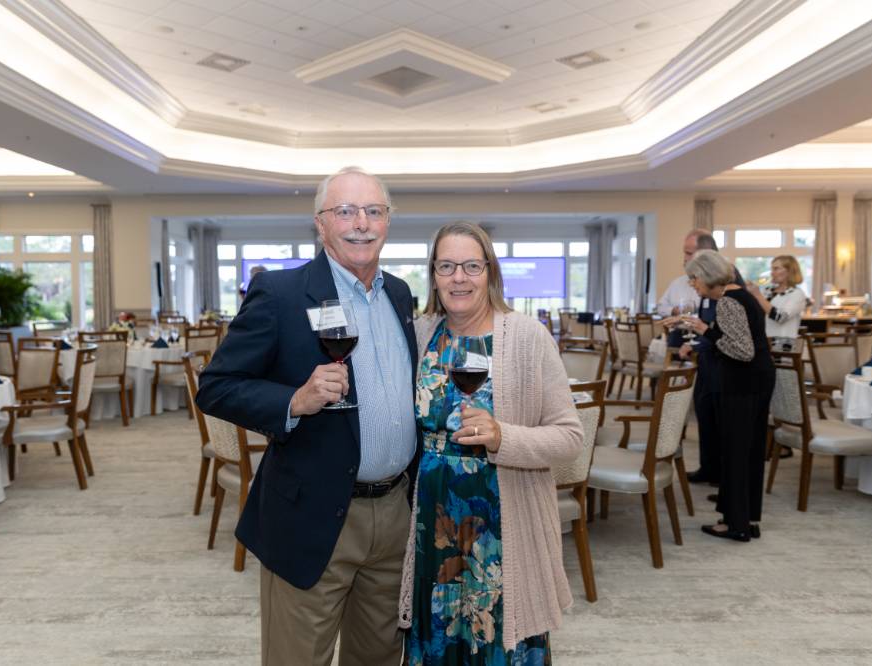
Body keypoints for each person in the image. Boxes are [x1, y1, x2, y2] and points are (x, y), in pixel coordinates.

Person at [195, 166, 418, 666]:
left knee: (379, 657)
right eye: (345, 211)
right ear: (321, 223)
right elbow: (216, 387)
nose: (360, 222)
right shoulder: (281, 293)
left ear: (387, 221)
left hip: (396, 513)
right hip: (313, 514)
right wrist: (293, 402)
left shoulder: (400, 293)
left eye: (373, 211)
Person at [401, 222, 583, 664]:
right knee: (439, 642)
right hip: (433, 525)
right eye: (446, 266)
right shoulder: (421, 333)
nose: (458, 277)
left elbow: (570, 437)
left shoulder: (526, 337)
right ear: (433, 274)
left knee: (501, 642)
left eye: (470, 266)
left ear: (490, 272)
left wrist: (504, 436)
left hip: (503, 528)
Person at [668, 250, 774, 542]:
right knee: (749, 451)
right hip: (758, 379)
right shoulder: (743, 295)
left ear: (706, 275)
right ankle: (747, 518)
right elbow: (742, 338)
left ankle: (734, 524)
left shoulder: (727, 302)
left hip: (741, 382)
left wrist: (705, 330)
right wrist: (708, 330)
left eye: (694, 278)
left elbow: (741, 351)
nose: (692, 284)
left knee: (735, 452)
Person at [747, 255, 808, 343]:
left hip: (782, 347)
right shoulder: (768, 290)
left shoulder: (797, 294)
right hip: (762, 342)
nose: (772, 273)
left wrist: (758, 295)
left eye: (776, 269)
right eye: (772, 269)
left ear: (789, 271)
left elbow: (780, 317)